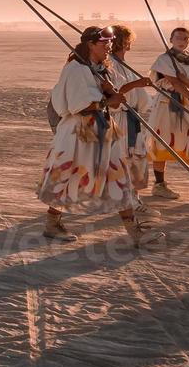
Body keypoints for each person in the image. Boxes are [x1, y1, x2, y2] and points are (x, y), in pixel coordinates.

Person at [37, 26, 157, 246]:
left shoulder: (98, 68)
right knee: (68, 177)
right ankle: (52, 224)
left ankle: (134, 232)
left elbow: (110, 93)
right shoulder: (76, 69)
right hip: (78, 133)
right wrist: (106, 101)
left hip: (102, 129)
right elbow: (76, 105)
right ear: (91, 44)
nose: (109, 47)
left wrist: (109, 91)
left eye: (110, 43)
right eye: (104, 44)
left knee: (118, 176)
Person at [148, 26, 189, 201]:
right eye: (178, 38)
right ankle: (159, 185)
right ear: (171, 39)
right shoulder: (164, 59)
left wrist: (185, 82)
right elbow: (173, 81)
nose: (182, 41)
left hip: (187, 103)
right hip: (166, 103)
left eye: (185, 38)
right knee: (162, 141)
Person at [110, 25, 154, 195]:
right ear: (122, 42)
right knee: (124, 157)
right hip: (120, 117)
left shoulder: (122, 64)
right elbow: (114, 91)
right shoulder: (111, 64)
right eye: (128, 40)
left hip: (132, 116)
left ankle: (133, 197)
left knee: (136, 157)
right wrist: (137, 83)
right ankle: (125, 198)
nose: (130, 44)